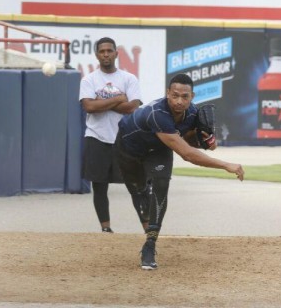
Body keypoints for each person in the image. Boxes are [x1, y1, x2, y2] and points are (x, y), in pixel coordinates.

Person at [114, 73, 244, 270]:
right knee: (139, 192)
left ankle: (150, 244)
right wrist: (226, 165)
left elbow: (188, 141)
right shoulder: (157, 113)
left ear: (192, 96)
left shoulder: (192, 114)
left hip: (158, 149)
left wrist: (205, 141)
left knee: (161, 183)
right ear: (167, 93)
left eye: (185, 96)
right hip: (128, 148)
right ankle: (143, 195)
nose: (179, 101)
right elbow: (187, 154)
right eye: (175, 95)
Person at [79, 37, 142, 233]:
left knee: (135, 185)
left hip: (124, 139)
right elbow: (89, 106)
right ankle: (105, 228)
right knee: (99, 186)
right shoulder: (89, 79)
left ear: (116, 53)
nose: (105, 54)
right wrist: (118, 99)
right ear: (97, 55)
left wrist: (102, 102)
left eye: (109, 50)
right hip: (97, 137)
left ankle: (148, 228)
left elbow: (133, 108)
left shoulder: (129, 78)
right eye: (102, 51)